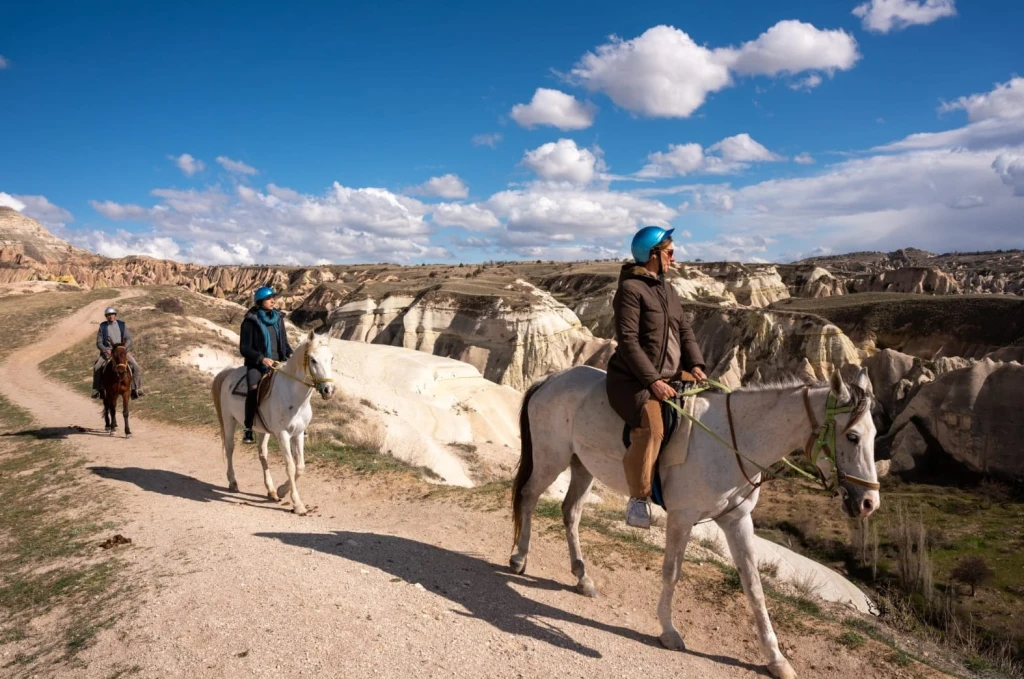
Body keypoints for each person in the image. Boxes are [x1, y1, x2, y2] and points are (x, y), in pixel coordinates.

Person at [605, 226, 707, 529]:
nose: (674, 260)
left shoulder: (668, 289)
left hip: (670, 372)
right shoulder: (630, 290)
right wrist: (652, 381)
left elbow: (684, 332)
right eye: (670, 253)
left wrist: (697, 364)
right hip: (633, 379)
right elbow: (628, 342)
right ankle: (639, 498)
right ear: (653, 255)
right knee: (653, 429)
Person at [239, 285, 293, 444]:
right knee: (253, 389)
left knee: (295, 386)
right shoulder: (250, 321)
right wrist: (261, 359)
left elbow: (284, 343)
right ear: (260, 301)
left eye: (273, 298)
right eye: (269, 299)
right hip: (258, 365)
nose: (273, 300)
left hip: (279, 363)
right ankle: (248, 428)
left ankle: (296, 425)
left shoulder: (278, 318)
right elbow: (244, 348)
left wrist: (290, 354)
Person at [92, 306, 143, 399]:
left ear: (115, 315)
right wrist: (105, 350)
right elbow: (99, 342)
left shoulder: (122, 325)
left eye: (112, 314)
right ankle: (98, 390)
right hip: (108, 352)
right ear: (106, 316)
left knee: (136, 367)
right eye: (108, 315)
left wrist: (124, 348)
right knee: (97, 367)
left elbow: (129, 339)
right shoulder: (102, 327)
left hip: (121, 352)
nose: (110, 316)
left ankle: (136, 389)